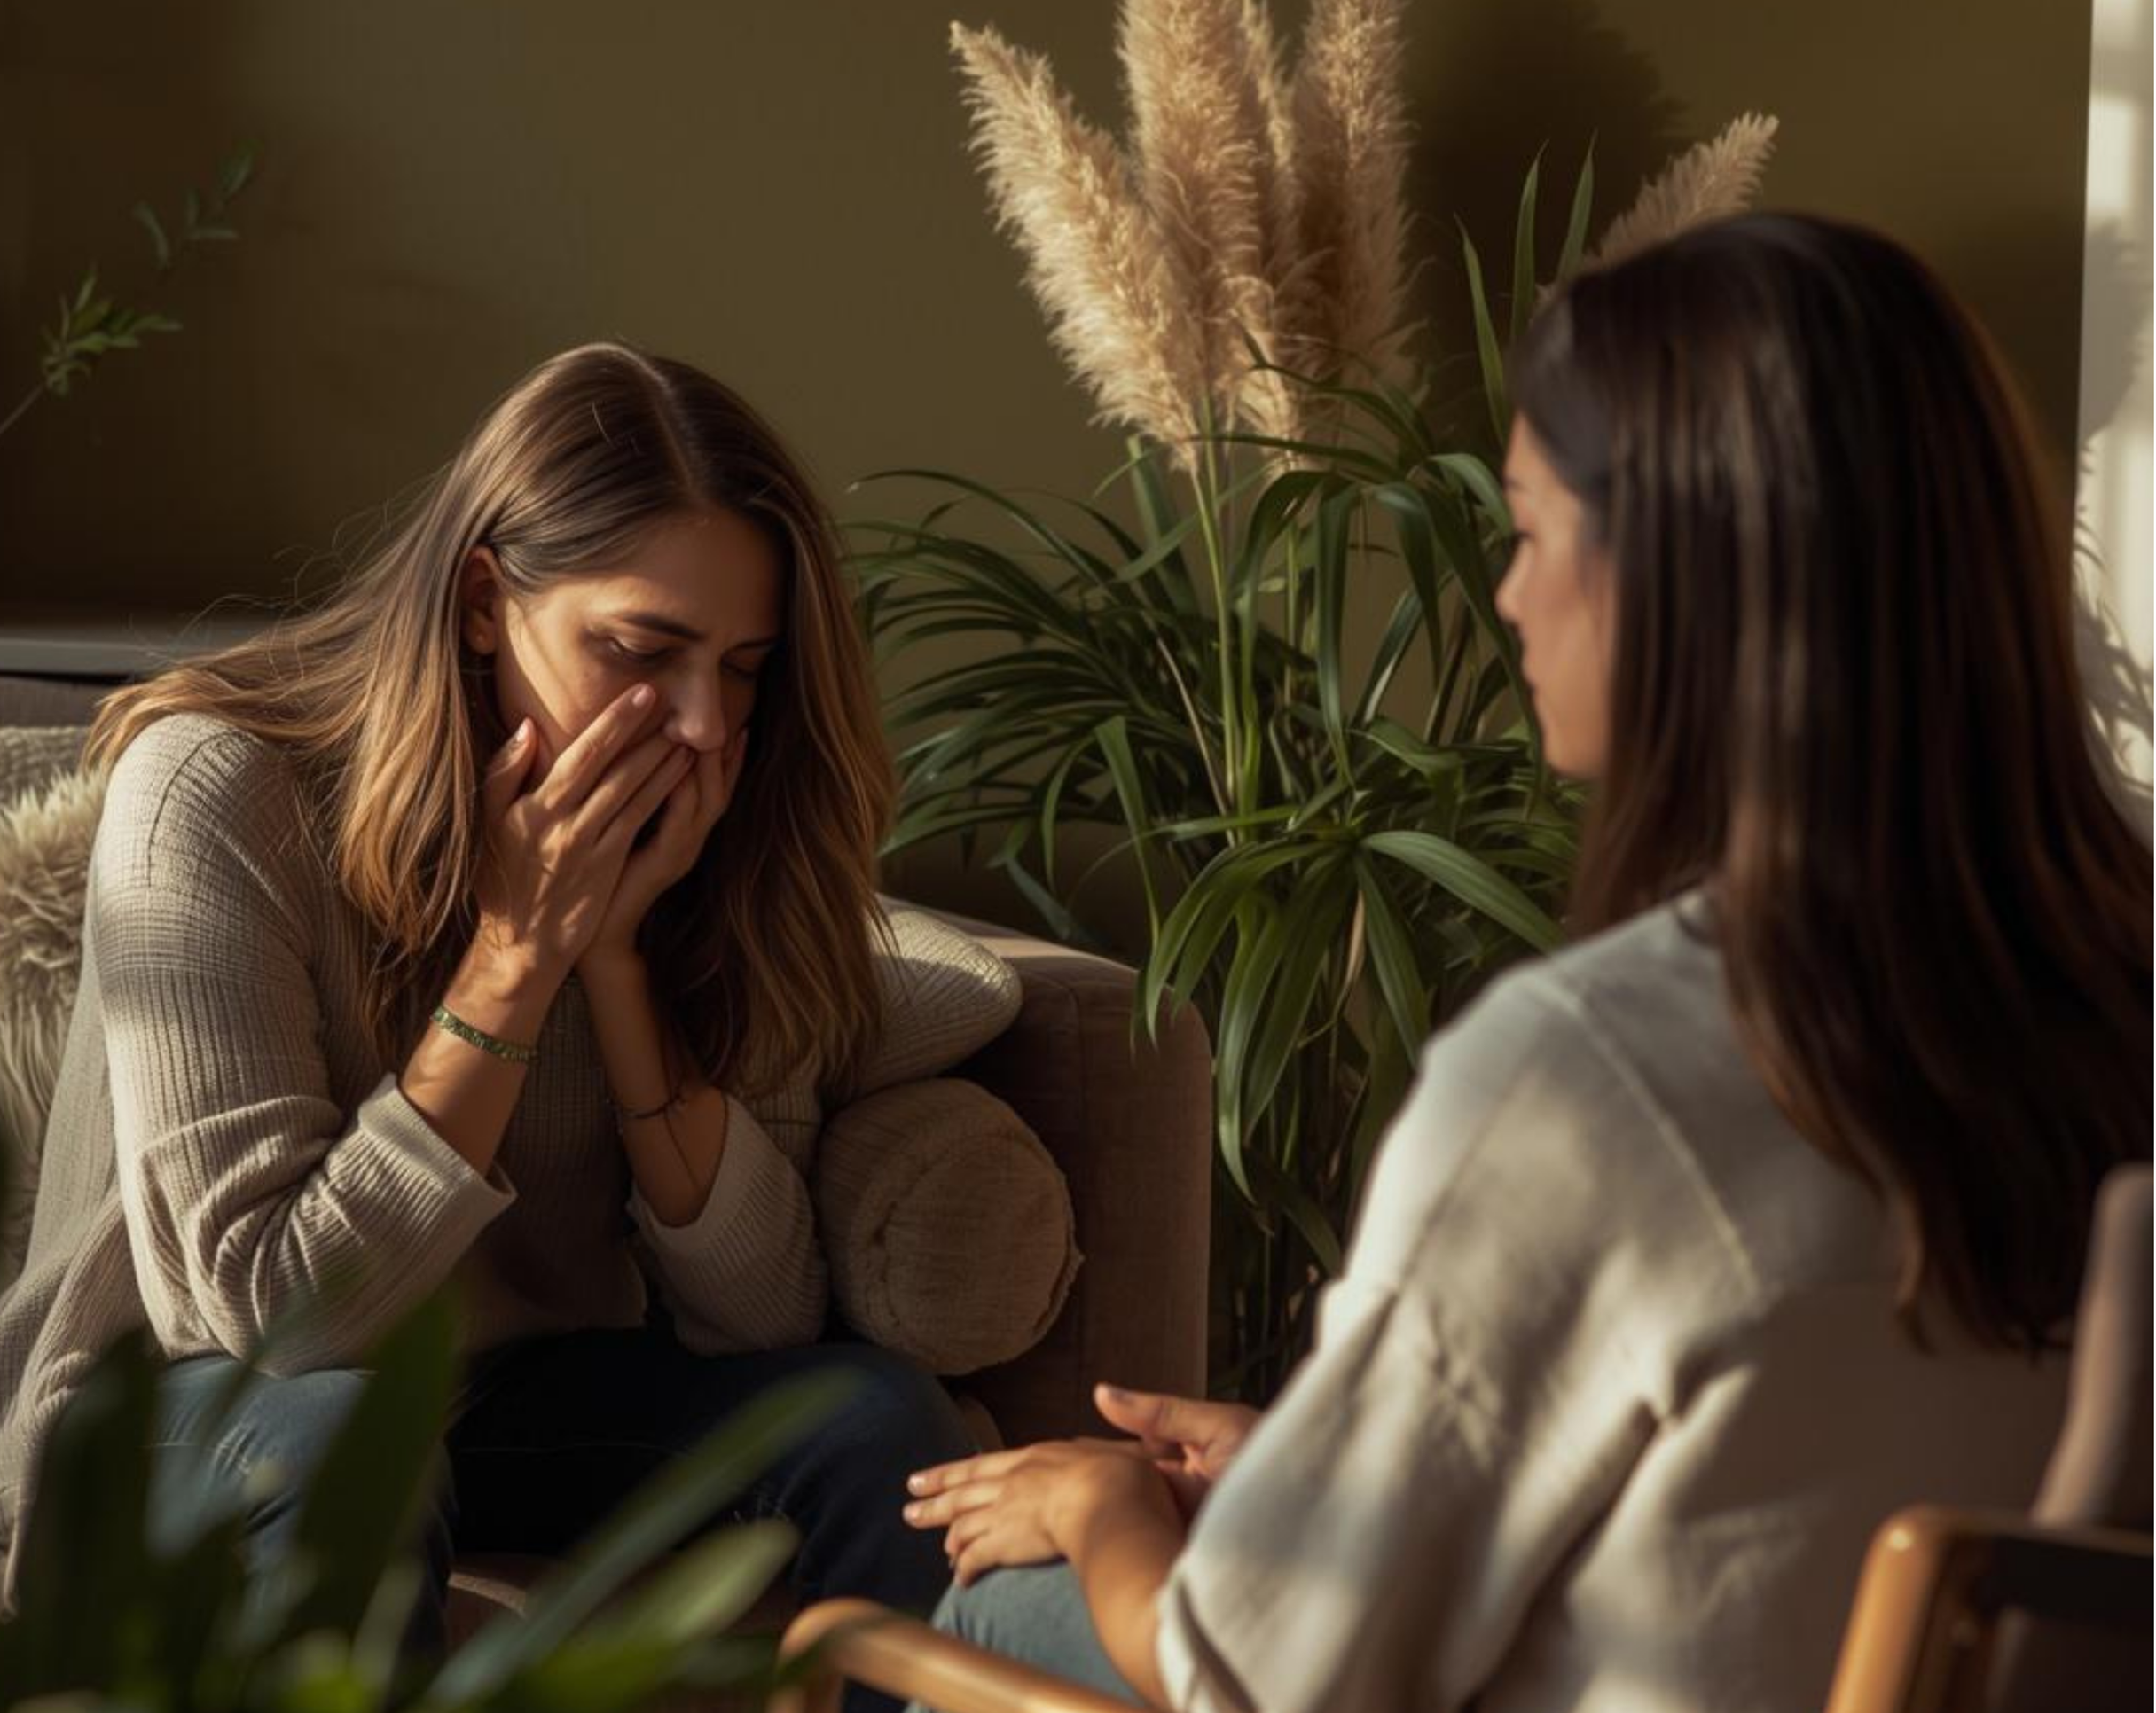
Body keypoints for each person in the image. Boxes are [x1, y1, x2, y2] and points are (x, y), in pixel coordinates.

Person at [898, 213, 2155, 1710]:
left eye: (1532, 527)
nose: (1506, 595)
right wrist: (1315, 1467)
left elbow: (1267, 1684)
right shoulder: (2108, 1010)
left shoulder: (1599, 1075)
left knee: (999, 1612)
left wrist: (1105, 1517)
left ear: (1676, 576)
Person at [0, 343, 975, 1686]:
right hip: (180, 1410)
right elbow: (268, 1321)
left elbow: (769, 1316)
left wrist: (615, 968)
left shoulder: (713, 835)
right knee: (334, 1450)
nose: (704, 725)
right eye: (643, 650)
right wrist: (511, 958)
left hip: (500, 1397)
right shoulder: (218, 795)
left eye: (742, 666)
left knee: (877, 1419)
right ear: (487, 601)